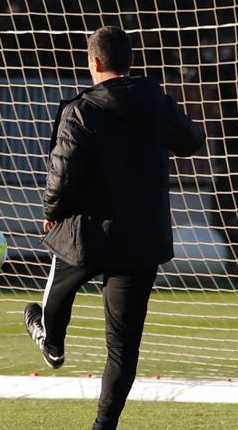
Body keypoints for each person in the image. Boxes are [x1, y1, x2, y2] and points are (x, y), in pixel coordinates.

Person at [23, 25, 206, 430]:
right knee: (122, 348)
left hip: (87, 235)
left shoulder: (81, 109)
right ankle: (103, 427)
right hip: (141, 240)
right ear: (130, 62)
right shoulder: (157, 101)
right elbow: (193, 140)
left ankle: (52, 342)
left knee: (59, 272)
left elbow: (62, 173)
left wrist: (51, 210)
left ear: (94, 62)